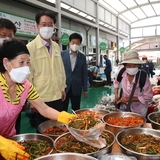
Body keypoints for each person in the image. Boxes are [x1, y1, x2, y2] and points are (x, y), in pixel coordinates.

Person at [0, 39, 74, 139]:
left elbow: (44, 109)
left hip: (10, 138)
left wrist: (65, 117)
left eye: (28, 63)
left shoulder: (25, 86)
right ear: (6, 62)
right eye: (21, 62)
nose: (26, 68)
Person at [26, 10, 66, 130]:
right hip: (41, 99)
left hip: (57, 96)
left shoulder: (56, 46)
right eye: (44, 24)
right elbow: (28, 76)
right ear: (37, 26)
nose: (47, 27)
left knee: (58, 129)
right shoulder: (30, 48)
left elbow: (61, 69)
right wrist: (31, 100)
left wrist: (62, 88)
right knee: (44, 131)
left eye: (50, 24)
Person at [0, 18, 23, 134]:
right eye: (3, 35)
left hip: (14, 103)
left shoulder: (14, 56)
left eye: (10, 36)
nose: (6, 39)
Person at [114, 50, 153, 117]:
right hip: (124, 107)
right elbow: (116, 82)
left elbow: (149, 96)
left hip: (139, 110)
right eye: (129, 65)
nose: (132, 67)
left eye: (135, 65)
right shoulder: (121, 72)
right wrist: (116, 94)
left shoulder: (143, 76)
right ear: (125, 66)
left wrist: (130, 99)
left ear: (138, 65)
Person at [61, 33, 88, 112]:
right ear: (69, 42)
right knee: (63, 109)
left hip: (77, 87)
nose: (75, 44)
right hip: (64, 87)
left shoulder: (82, 57)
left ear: (80, 44)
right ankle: (63, 124)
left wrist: (85, 89)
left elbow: (84, 74)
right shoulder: (62, 54)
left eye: (77, 43)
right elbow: (59, 71)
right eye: (73, 42)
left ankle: (75, 124)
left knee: (76, 110)